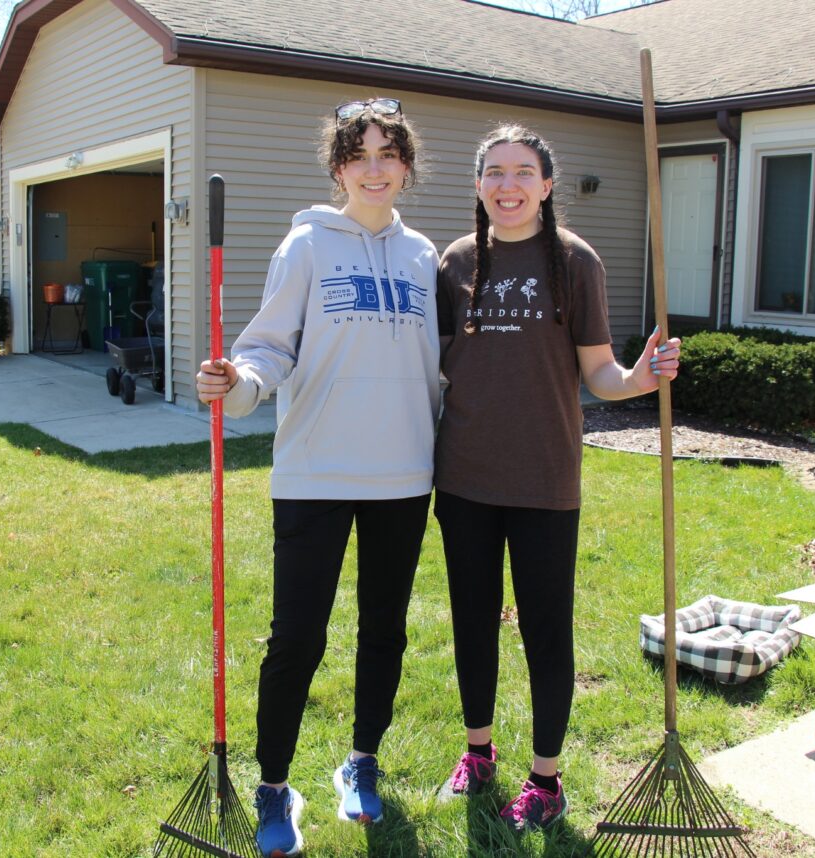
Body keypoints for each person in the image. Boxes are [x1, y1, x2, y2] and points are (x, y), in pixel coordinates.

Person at [196, 98, 440, 856]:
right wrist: (235, 384)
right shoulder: (304, 247)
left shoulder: (425, 257)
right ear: (338, 168)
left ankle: (361, 762)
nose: (375, 168)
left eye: (388, 154)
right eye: (359, 155)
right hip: (315, 474)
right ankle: (275, 786)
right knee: (296, 639)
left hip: (404, 475)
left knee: (385, 632)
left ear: (405, 167)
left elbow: (444, 365)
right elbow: (268, 347)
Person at [432, 125, 681, 832]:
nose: (507, 186)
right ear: (479, 184)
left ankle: (546, 778)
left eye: (523, 172)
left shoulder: (575, 261)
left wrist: (639, 378)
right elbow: (440, 364)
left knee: (546, 628)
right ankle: (478, 751)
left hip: (545, 477)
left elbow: (598, 370)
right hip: (464, 476)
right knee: (471, 621)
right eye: (494, 173)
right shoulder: (454, 262)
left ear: (546, 184)